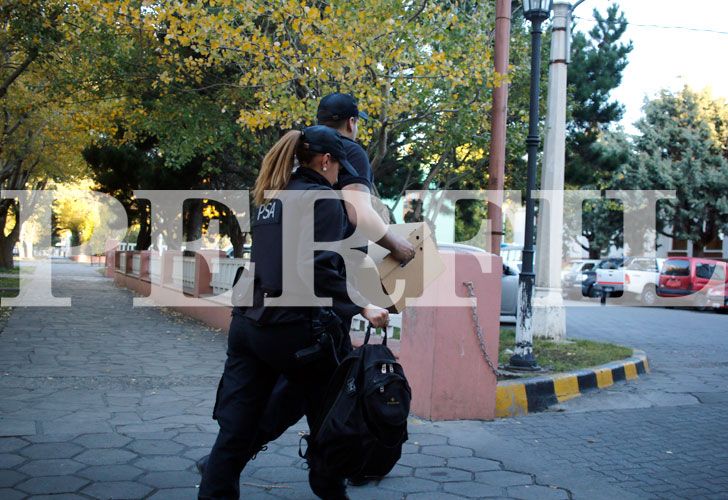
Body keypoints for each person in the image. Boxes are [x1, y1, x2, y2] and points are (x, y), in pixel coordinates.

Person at [198, 126, 389, 500]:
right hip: (293, 332)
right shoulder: (323, 200)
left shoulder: (272, 198)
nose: (340, 177)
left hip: (248, 324)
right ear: (326, 161)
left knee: (235, 428)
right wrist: (364, 305)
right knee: (331, 417)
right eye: (339, 169)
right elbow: (318, 269)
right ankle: (331, 489)